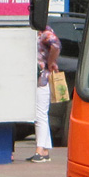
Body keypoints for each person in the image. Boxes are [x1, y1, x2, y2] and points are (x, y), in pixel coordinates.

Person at [31, 24, 61, 162]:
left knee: (40, 115)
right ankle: (44, 151)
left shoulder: (44, 32)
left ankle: (39, 150)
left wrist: (50, 62)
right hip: (42, 79)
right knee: (42, 113)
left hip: (42, 79)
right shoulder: (42, 32)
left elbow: (56, 45)